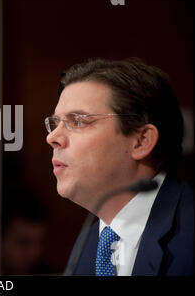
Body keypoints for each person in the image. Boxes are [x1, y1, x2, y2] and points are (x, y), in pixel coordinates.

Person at [45, 58, 193, 276]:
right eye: (54, 123)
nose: (52, 137)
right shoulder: (89, 241)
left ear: (141, 141)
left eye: (78, 121)